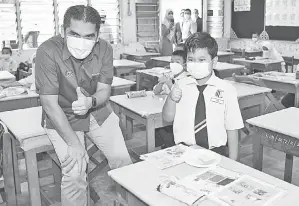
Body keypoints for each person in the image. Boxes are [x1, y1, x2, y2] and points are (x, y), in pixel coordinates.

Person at [35, 5, 132, 205]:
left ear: (97, 36)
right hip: (62, 117)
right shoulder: (48, 51)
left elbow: (104, 90)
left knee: (123, 163)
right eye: (74, 34)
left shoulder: (104, 49)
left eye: (89, 36)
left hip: (98, 113)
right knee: (75, 172)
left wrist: (91, 101)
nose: (81, 42)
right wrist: (73, 143)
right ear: (63, 32)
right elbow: (49, 104)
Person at [162, 32, 244, 160]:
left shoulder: (226, 90)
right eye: (191, 59)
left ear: (214, 61)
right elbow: (167, 118)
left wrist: (233, 162)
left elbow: (232, 129)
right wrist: (171, 98)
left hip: (216, 153)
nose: (195, 64)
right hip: (184, 151)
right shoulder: (180, 85)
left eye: (201, 60)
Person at [154, 49, 191, 148]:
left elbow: (178, 95)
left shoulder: (187, 79)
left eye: (177, 62)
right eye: (172, 61)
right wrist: (161, 82)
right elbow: (156, 91)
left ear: (185, 65)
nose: (173, 64)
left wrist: (169, 82)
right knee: (157, 131)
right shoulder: (169, 75)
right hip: (164, 110)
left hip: (178, 116)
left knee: (160, 131)